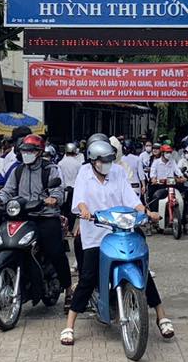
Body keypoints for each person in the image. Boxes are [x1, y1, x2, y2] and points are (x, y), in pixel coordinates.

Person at [62, 138, 174, 346]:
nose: (107, 164)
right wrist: (84, 210)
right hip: (95, 232)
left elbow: (130, 198)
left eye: (110, 160)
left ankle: (161, 315)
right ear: (93, 161)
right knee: (88, 277)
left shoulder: (118, 172)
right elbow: (79, 198)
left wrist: (146, 212)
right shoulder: (84, 173)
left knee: (141, 269)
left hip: (120, 230)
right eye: (103, 161)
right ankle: (70, 325)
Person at [0, 133, 70, 302]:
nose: (27, 154)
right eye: (24, 151)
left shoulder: (50, 169)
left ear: (39, 152)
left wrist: (53, 198)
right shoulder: (18, 170)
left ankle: (68, 289)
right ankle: (0, 290)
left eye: (31, 151)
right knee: (3, 244)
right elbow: (7, 190)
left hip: (45, 216)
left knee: (55, 251)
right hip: (22, 216)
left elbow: (58, 190)